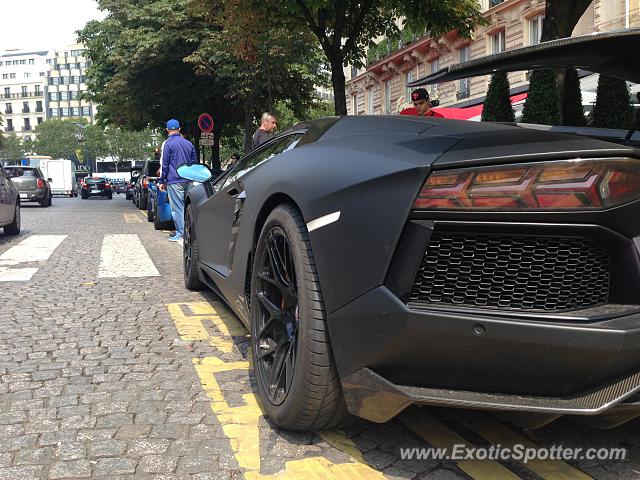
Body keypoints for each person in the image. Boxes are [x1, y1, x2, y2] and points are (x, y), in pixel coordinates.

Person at [158, 119, 197, 242]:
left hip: (174, 180)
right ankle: (190, 232)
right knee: (188, 207)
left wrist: (161, 181)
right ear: (179, 129)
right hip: (188, 180)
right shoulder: (189, 144)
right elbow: (194, 162)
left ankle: (180, 233)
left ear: (167, 130)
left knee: (177, 209)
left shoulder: (168, 144)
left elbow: (165, 164)